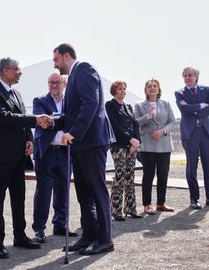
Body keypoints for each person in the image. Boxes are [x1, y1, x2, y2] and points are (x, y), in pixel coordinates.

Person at [0, 57, 51, 259]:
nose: (20, 72)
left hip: (18, 155)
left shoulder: (17, 93)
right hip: (0, 156)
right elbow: (4, 118)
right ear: (5, 71)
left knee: (18, 196)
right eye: (17, 69)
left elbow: (21, 119)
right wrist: (36, 121)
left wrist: (29, 138)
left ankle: (19, 235)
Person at [53, 43, 114, 255]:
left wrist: (74, 132)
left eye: (56, 59)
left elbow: (91, 103)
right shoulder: (73, 77)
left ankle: (105, 240)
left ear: (65, 55)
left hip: (91, 142)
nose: (54, 64)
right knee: (83, 194)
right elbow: (73, 112)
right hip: (80, 144)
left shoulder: (85, 69)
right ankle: (88, 235)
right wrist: (52, 122)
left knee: (97, 191)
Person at [31, 73, 78, 244]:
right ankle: (39, 229)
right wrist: (61, 121)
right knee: (43, 191)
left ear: (64, 84)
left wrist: (55, 121)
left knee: (63, 190)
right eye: (51, 82)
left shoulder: (70, 102)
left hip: (66, 152)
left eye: (57, 82)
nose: (54, 86)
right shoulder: (40, 100)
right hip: (46, 151)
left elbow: (72, 121)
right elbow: (42, 122)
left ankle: (60, 224)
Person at [175, 67, 209, 209]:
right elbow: (183, 110)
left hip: (206, 132)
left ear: (196, 76)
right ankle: (194, 199)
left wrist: (193, 107)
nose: (187, 77)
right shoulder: (179, 93)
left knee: (208, 167)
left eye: (190, 75)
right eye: (184, 75)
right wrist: (202, 106)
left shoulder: (207, 90)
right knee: (192, 167)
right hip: (190, 133)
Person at [134, 79, 176, 215]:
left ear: (159, 89)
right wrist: (147, 116)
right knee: (148, 175)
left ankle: (161, 203)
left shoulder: (166, 104)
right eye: (149, 86)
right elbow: (135, 123)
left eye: (155, 86)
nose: (152, 88)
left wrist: (163, 131)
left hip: (164, 144)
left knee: (163, 175)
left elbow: (172, 122)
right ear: (145, 90)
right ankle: (147, 205)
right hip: (147, 145)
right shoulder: (139, 105)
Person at [105, 81, 142, 221]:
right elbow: (115, 125)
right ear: (114, 91)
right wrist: (129, 140)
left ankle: (130, 208)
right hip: (118, 146)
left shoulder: (129, 107)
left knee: (130, 177)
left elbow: (135, 124)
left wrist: (137, 141)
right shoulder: (110, 105)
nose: (122, 91)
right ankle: (115, 210)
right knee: (120, 177)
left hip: (132, 146)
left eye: (124, 89)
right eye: (119, 89)